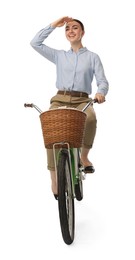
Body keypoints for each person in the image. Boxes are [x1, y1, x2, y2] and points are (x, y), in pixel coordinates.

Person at [30, 16, 109, 199]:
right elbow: (35, 43)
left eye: (75, 28)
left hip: (82, 100)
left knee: (90, 118)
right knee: (50, 130)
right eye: (67, 29)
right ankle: (54, 177)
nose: (71, 31)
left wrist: (101, 93)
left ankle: (83, 156)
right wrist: (53, 25)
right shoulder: (59, 55)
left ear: (82, 32)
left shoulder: (92, 57)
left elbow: (102, 81)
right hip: (60, 99)